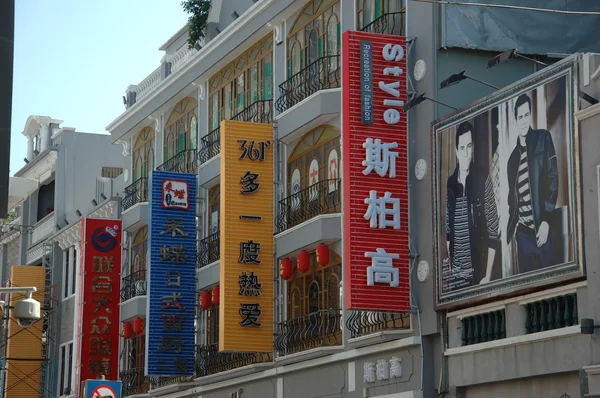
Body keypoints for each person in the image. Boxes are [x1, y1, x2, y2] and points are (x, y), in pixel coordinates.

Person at [445, 121, 500, 291]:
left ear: (473, 147)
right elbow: (448, 231)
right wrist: (450, 269)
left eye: (469, 146)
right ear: (456, 151)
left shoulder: (483, 178)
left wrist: (488, 276)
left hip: (478, 274)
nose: (466, 153)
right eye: (462, 148)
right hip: (457, 279)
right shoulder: (451, 184)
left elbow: (493, 229)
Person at [507, 93, 558, 272]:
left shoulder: (543, 138)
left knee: (551, 285)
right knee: (527, 292)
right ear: (515, 119)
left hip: (542, 229)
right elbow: (511, 198)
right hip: (523, 234)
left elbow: (553, 179)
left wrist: (546, 221)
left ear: (530, 116)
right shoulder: (512, 160)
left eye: (526, 115)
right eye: (519, 117)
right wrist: (514, 230)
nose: (523, 120)